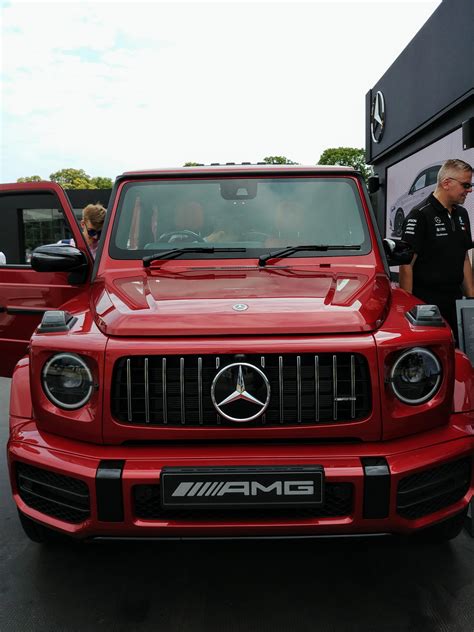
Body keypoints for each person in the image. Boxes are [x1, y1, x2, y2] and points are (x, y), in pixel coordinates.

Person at [399, 158, 474, 343]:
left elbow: (464, 257)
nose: (469, 190)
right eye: (466, 185)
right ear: (446, 183)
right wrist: (410, 309)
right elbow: (406, 265)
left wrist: (471, 299)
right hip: (427, 305)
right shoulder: (420, 214)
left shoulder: (462, 214)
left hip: (455, 301)